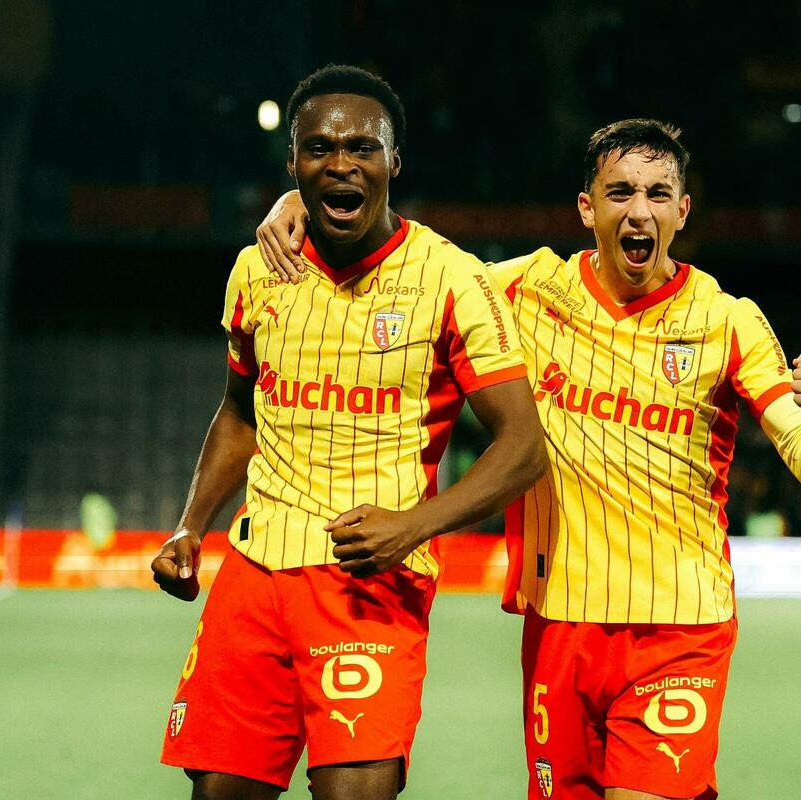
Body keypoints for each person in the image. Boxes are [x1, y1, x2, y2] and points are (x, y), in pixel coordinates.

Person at [257, 119, 801, 799]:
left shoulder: (729, 320)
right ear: (587, 208)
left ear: (682, 212)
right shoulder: (528, 289)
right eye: (620, 192)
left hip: (679, 628)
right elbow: (410, 272)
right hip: (558, 624)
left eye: (658, 194)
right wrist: (309, 203)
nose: (639, 211)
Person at [150, 64, 544, 800]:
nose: (342, 164)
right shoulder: (257, 271)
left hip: (371, 581)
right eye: (320, 149)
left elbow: (523, 447)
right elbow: (240, 411)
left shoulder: (452, 279)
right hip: (254, 575)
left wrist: (414, 526)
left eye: (363, 148)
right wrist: (190, 525)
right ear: (293, 164)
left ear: (395, 161)